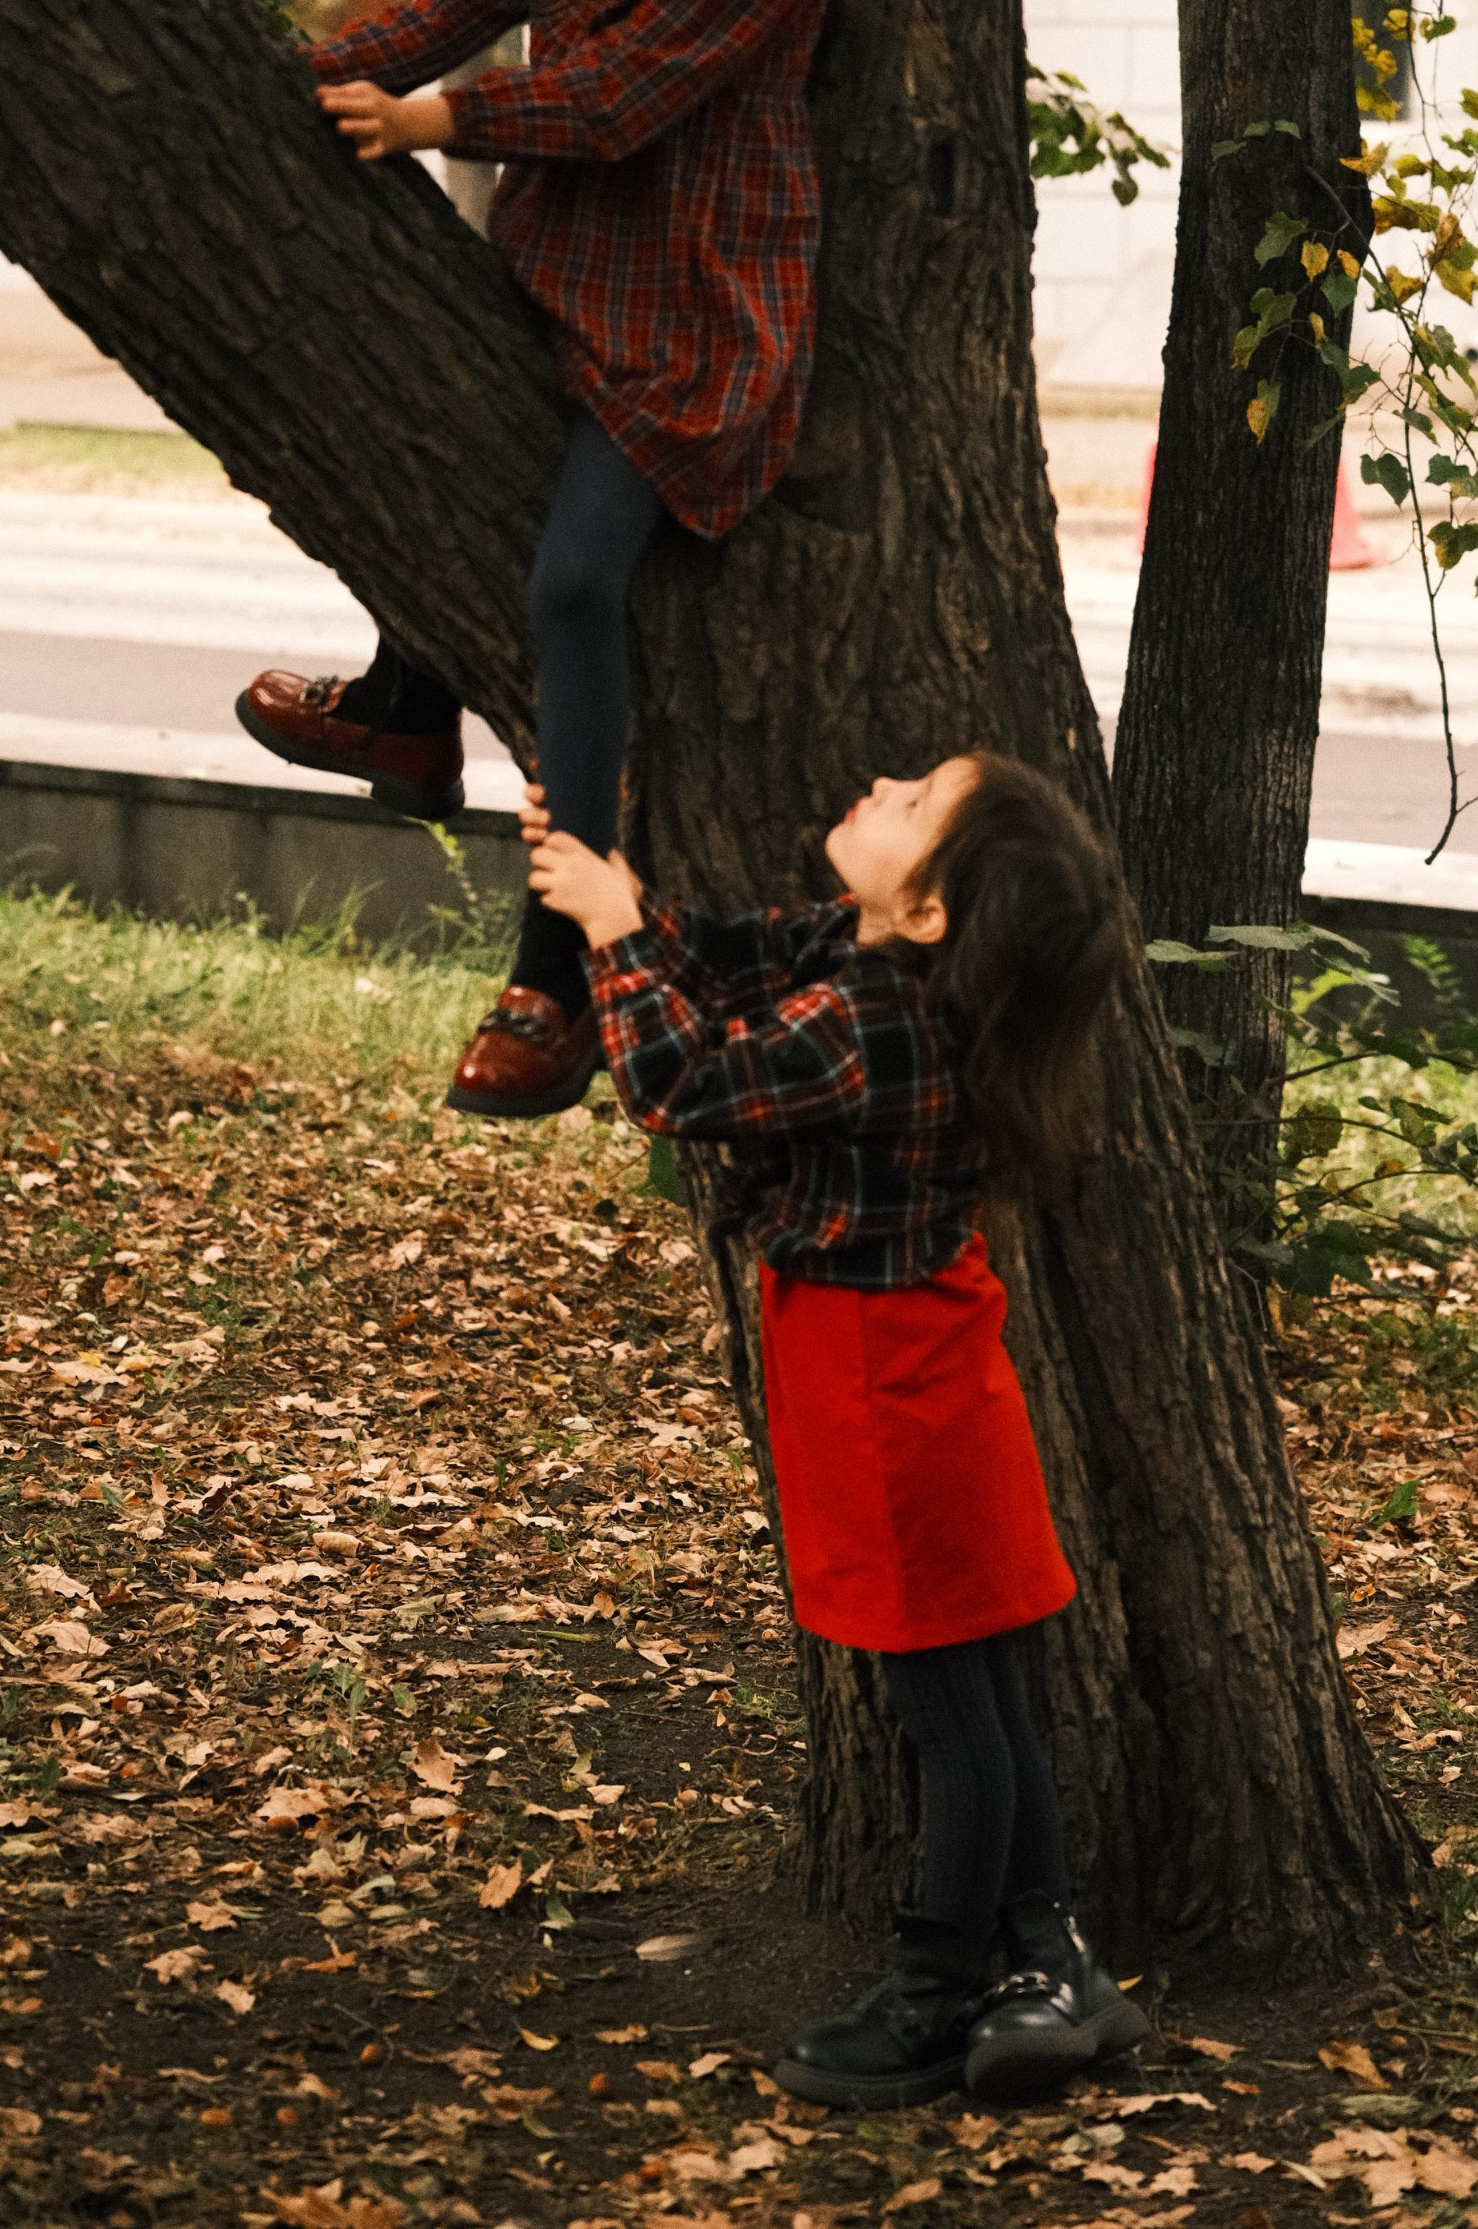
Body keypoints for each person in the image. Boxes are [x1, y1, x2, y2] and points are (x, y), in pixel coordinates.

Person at [234, 0, 882, 1121]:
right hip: (560, 283)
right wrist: (288, 81)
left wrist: (431, 120)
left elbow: (618, 97)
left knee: (577, 585)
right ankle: (406, 708)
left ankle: (562, 967)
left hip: (688, 325)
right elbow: (457, 8)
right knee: (426, 440)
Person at [525, 749, 1148, 2112]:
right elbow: (735, 958)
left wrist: (616, 937)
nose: (880, 781)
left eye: (915, 802)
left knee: (955, 1720)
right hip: (920, 1374)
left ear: (928, 912)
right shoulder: (867, 967)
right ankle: (1053, 1966)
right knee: (988, 1697)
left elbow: (680, 1084)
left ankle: (937, 1991)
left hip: (888, 1399)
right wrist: (613, 888)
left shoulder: (872, 1021)